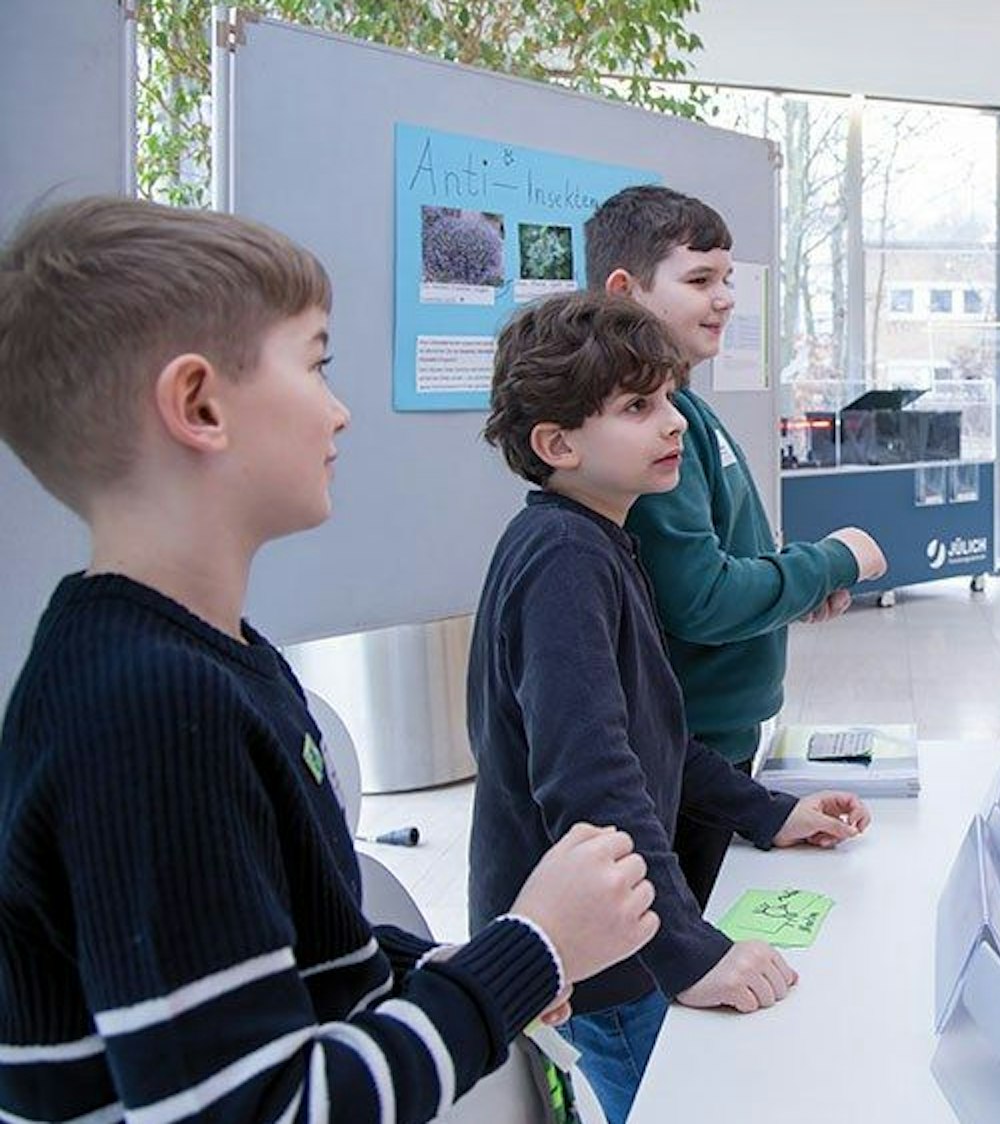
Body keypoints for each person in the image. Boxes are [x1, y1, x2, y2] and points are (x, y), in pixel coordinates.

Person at [0, 196, 659, 1120]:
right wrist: (532, 949)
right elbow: (264, 1108)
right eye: (316, 364)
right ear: (199, 405)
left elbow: (302, 960)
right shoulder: (146, 708)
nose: (340, 413)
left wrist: (466, 967)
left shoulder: (216, 660)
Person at [466, 289, 872, 1124]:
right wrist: (689, 954)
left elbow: (656, 736)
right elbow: (594, 787)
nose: (675, 422)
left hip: (615, 941)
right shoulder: (565, 562)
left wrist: (769, 812)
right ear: (558, 444)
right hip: (600, 962)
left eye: (669, 399)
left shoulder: (598, 542)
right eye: (638, 407)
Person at [586, 186, 886, 908]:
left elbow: (720, 566)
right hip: (689, 753)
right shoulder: (654, 440)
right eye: (699, 280)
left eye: (727, 280)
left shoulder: (684, 412)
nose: (723, 299)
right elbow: (701, 598)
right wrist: (836, 558)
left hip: (715, 748)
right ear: (624, 290)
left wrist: (793, 592)